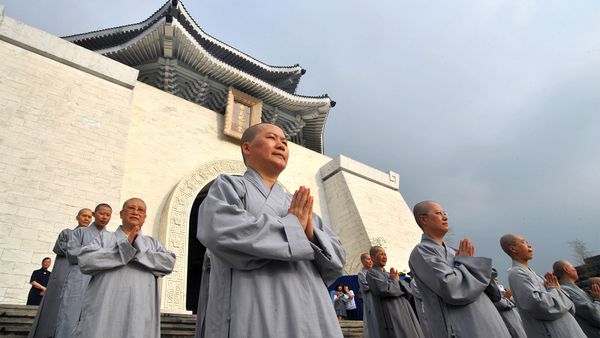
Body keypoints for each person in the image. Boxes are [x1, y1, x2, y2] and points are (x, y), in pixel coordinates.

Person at [195, 123, 346, 338]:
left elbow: (338, 258)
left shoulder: (297, 203)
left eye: (284, 141)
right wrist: (294, 228)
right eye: (272, 138)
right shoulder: (229, 186)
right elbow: (218, 229)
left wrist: (311, 234)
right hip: (255, 303)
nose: (281, 144)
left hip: (311, 307)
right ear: (247, 148)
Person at [74, 198, 176, 338]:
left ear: (145, 217)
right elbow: (85, 261)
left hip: (140, 310)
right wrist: (123, 250)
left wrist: (138, 252)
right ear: (121, 214)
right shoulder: (104, 238)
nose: (135, 212)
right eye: (131, 208)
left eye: (140, 210)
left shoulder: (152, 243)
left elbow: (168, 263)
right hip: (105, 307)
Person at [408, 201, 510, 338]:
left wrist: (470, 264)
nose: (445, 217)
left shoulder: (453, 252)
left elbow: (495, 294)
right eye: (438, 213)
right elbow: (451, 288)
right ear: (424, 219)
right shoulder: (422, 251)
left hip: (487, 317)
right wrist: (467, 263)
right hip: (462, 326)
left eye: (445, 213)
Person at [500, 234, 586, 337]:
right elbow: (539, 305)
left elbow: (570, 304)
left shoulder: (537, 276)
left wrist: (556, 292)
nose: (529, 245)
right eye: (523, 242)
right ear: (513, 249)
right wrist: (555, 290)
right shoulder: (516, 274)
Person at [28, 208, 92, 338]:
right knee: (55, 306)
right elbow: (61, 247)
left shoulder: (94, 237)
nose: (86, 219)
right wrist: (86, 250)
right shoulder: (67, 233)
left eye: (89, 217)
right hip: (63, 274)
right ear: (77, 217)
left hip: (82, 278)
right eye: (84, 216)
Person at [54, 203, 111, 338]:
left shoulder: (110, 237)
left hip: (99, 279)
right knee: (70, 313)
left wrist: (93, 254)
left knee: (95, 316)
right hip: (78, 277)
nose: (104, 217)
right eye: (101, 213)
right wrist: (100, 254)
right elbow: (72, 253)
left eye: (108, 215)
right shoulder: (80, 232)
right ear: (94, 214)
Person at [367, 246, 424, 338]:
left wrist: (396, 282)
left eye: (385, 254)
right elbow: (386, 290)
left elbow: (408, 289)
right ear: (372, 257)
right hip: (391, 310)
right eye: (381, 254)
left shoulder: (389, 274)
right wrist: (395, 282)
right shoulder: (371, 273)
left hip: (404, 309)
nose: (384, 256)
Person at [553, 259, 600, 337]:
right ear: (566, 269)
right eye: (573, 268)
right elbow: (595, 316)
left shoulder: (578, 290)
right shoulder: (565, 290)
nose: (575, 270)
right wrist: (598, 299)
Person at [489, 270, 527, 338]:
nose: (496, 279)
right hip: (506, 320)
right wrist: (506, 298)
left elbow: (515, 303)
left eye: (496, 277)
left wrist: (509, 298)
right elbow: (499, 303)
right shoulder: (491, 293)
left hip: (516, 319)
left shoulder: (504, 289)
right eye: (494, 279)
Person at [357, 252, 378, 338]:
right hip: (370, 300)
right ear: (363, 261)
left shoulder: (376, 271)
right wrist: (378, 284)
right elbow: (366, 286)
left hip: (379, 299)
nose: (371, 261)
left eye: (371, 259)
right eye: (368, 259)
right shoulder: (361, 274)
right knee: (372, 320)